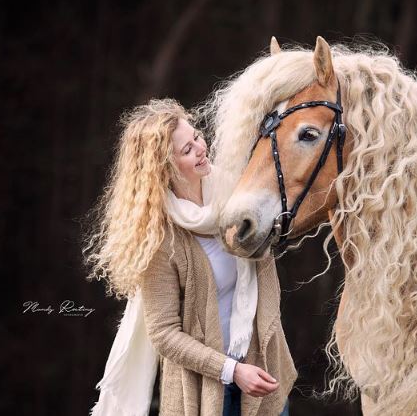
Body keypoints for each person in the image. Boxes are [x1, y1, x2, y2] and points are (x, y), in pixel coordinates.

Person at [84, 99, 296, 416]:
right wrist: (232, 371)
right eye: (187, 150)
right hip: (207, 392)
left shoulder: (235, 198)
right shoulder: (160, 241)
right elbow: (164, 334)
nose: (200, 148)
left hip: (262, 369)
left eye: (196, 136)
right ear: (164, 170)